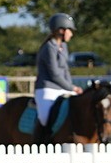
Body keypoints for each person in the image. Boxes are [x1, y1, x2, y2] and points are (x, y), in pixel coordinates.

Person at [33, 12, 82, 144]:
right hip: (47, 89)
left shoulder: (63, 46)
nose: (71, 34)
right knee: (44, 119)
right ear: (61, 30)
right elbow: (54, 73)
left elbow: (65, 70)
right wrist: (71, 87)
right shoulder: (49, 47)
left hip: (63, 88)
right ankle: (40, 142)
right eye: (69, 31)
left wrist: (71, 89)